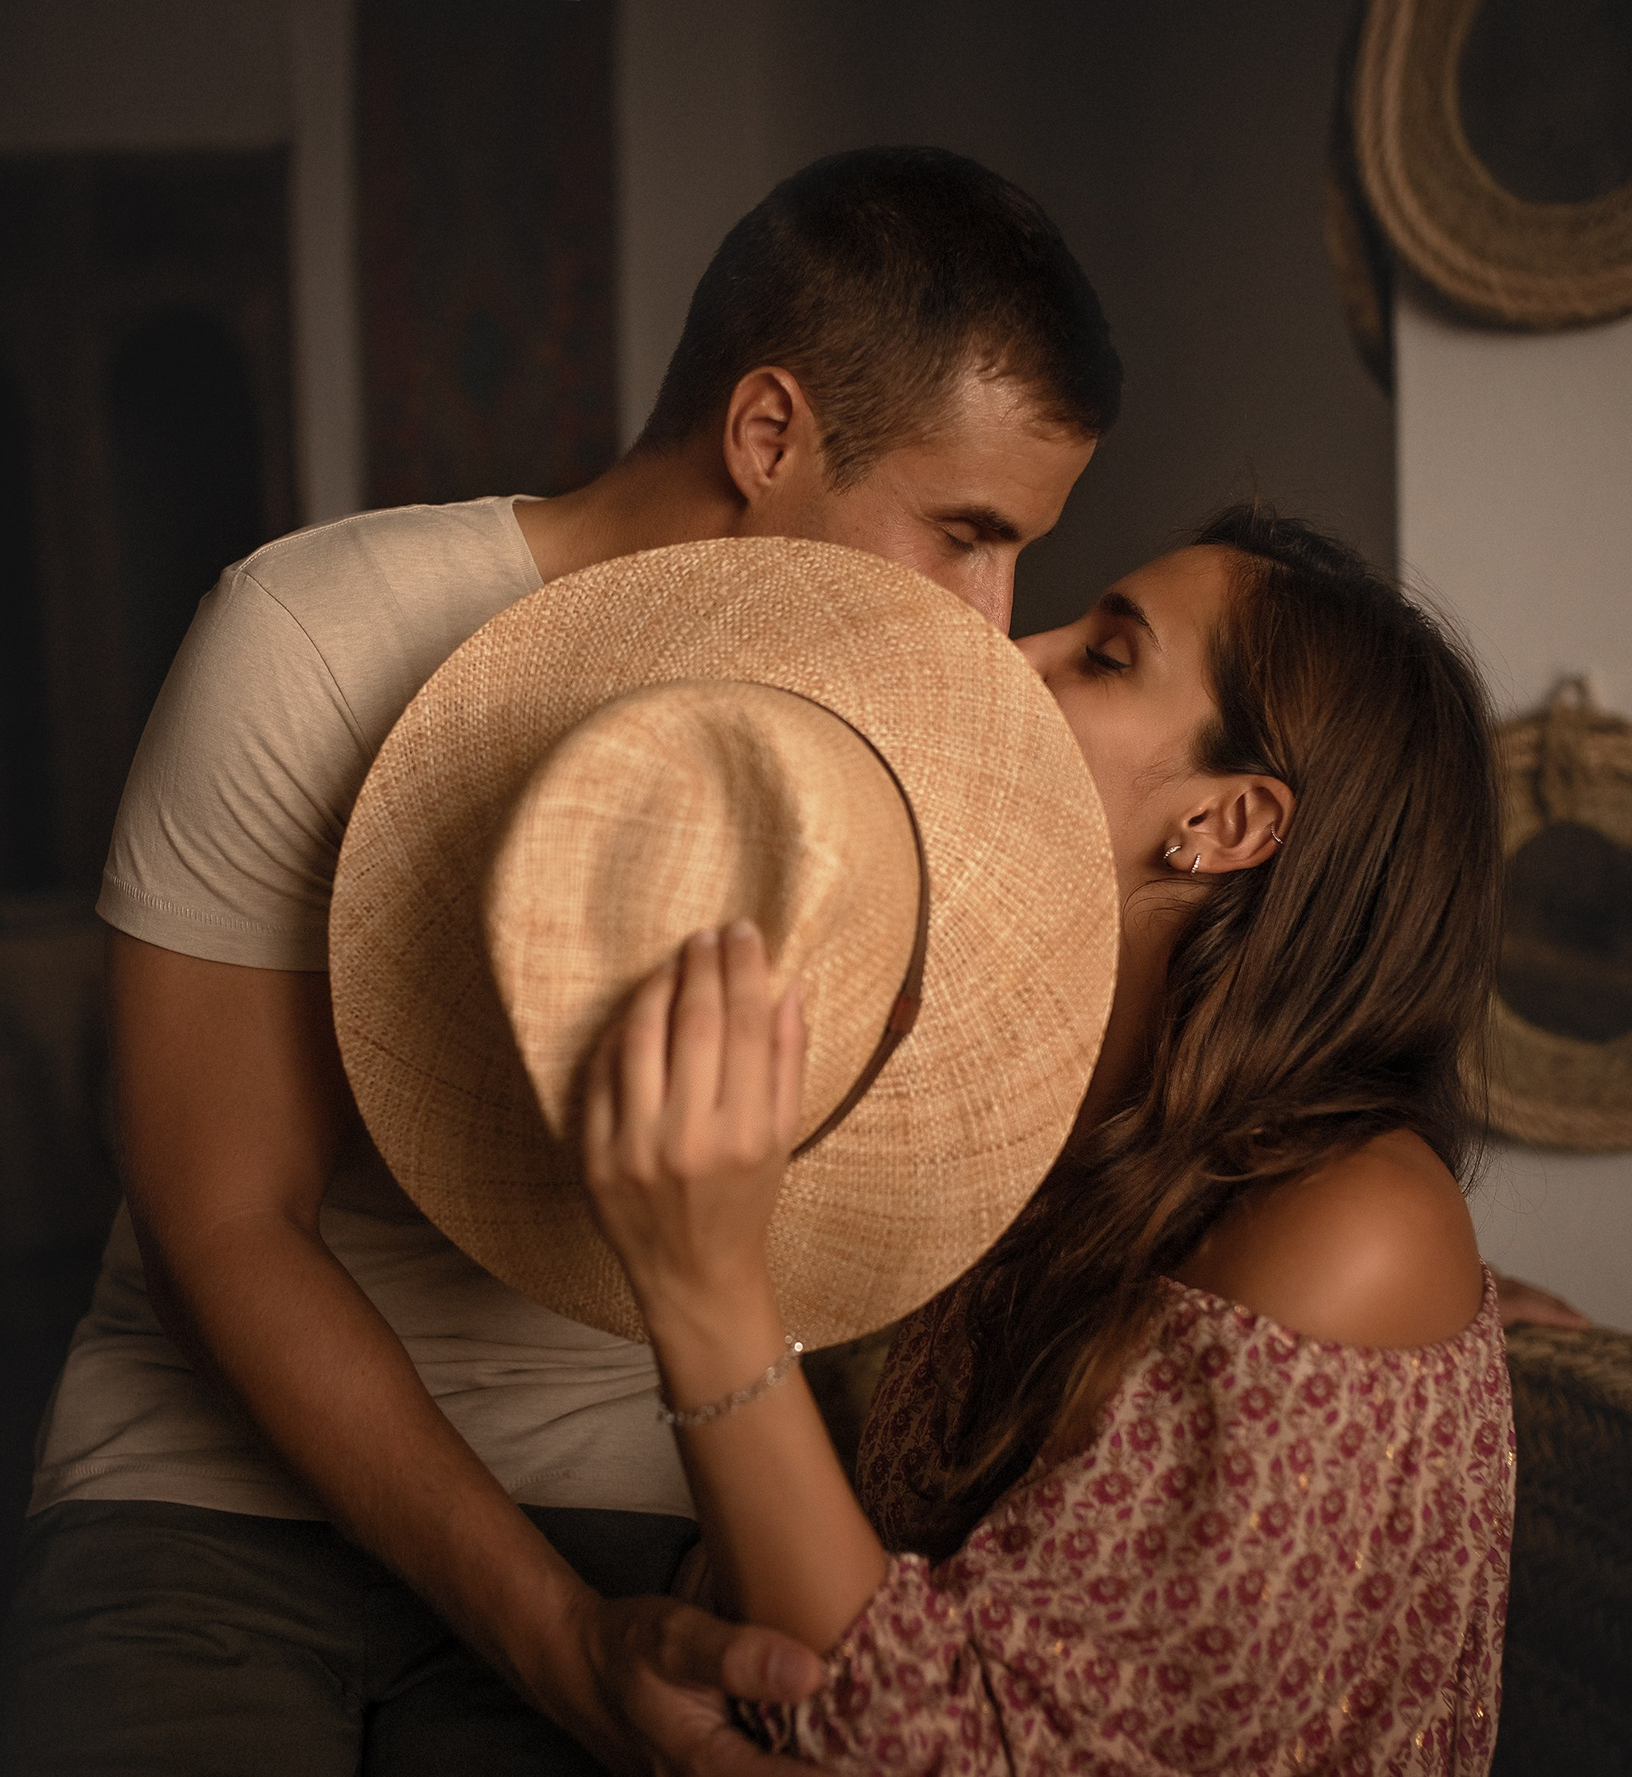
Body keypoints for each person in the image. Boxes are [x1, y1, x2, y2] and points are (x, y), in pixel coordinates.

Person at [0, 145, 1122, 1777]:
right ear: (770, 432)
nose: (995, 616)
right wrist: (543, 1638)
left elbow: (967, 1149)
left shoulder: (913, 755)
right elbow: (220, 1218)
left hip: (626, 1500)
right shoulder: (308, 637)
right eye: (965, 532)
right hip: (204, 1485)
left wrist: (1302, 1235)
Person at [579, 507, 1519, 1772]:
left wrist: (701, 1294)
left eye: (1106, 655)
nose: (1017, 650)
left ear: (1228, 823)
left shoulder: (1354, 1228)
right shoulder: (1063, 1125)